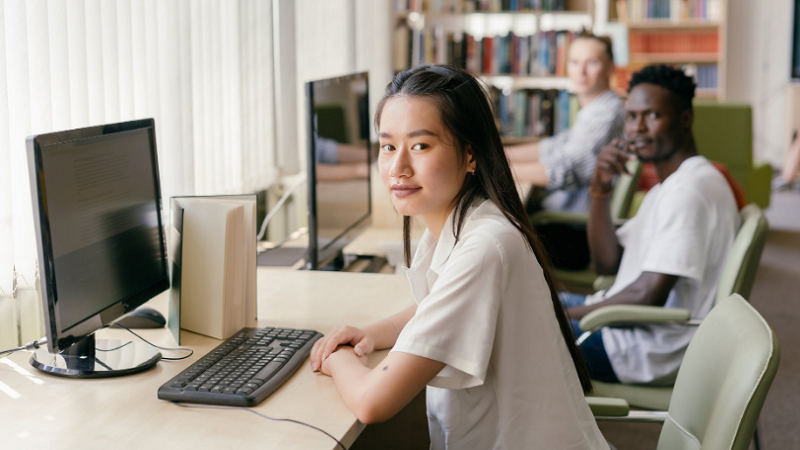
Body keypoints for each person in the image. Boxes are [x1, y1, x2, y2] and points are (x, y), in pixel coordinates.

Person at [308, 65, 609, 449]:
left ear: (471, 155)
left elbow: (372, 402)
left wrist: (333, 357)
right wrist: (373, 333)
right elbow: (438, 308)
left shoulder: (484, 247)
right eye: (387, 146)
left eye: (420, 145)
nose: (398, 167)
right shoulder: (467, 223)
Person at [562, 65, 740, 385]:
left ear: (685, 119)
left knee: (516, 329)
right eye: (631, 116)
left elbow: (648, 295)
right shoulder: (669, 186)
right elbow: (607, 263)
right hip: (630, 328)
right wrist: (600, 190)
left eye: (652, 116)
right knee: (523, 303)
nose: (637, 128)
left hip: (646, 348)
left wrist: (563, 319)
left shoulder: (688, 191)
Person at [505, 31, 624, 213]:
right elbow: (554, 146)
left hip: (575, 221)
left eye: (592, 62)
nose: (581, 71)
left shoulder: (606, 113)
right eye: (574, 62)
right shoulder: (594, 109)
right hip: (565, 210)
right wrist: (499, 154)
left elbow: (564, 169)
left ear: (610, 68)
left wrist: (493, 171)